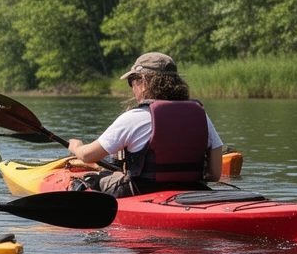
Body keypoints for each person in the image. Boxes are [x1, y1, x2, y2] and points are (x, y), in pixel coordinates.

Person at [66, 52, 224, 197]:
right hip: (192, 191)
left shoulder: (135, 118)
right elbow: (215, 174)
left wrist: (76, 146)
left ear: (144, 81)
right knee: (116, 176)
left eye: (132, 81)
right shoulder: (200, 115)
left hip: (142, 191)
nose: (132, 87)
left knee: (89, 180)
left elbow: (87, 156)